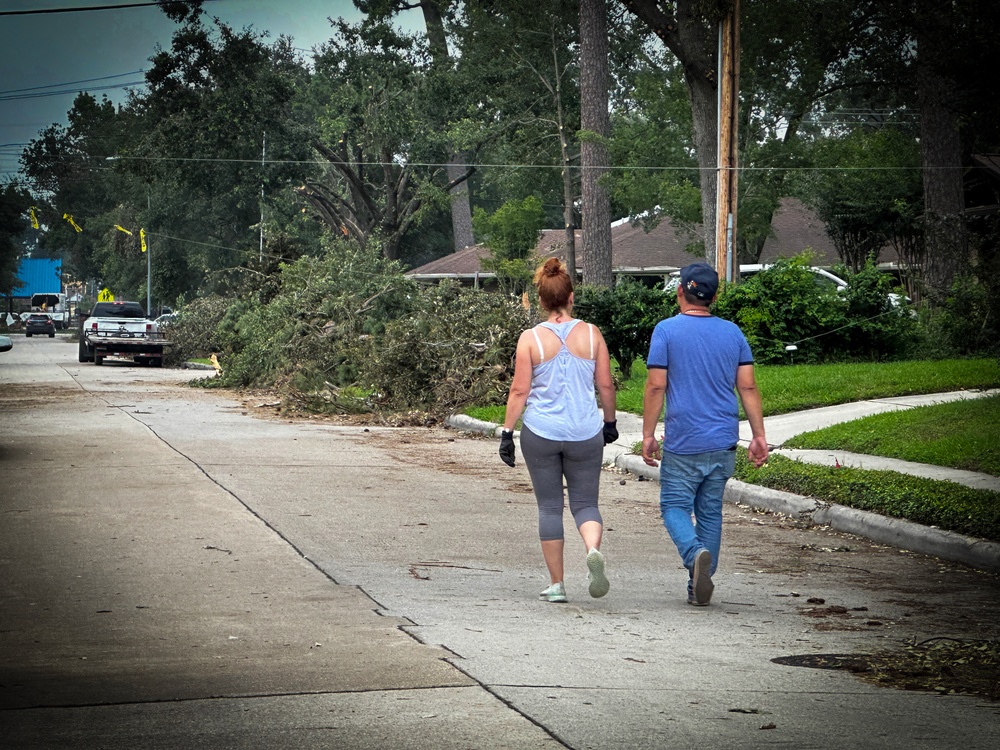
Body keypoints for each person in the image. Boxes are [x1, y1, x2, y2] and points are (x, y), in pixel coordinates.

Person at [641, 262, 769, 606]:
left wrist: (648, 433)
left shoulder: (666, 331)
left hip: (684, 441)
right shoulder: (733, 333)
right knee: (710, 511)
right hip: (723, 440)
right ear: (713, 296)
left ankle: (694, 553)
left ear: (681, 291)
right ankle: (699, 586)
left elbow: (656, 386)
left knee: (673, 506)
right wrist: (759, 436)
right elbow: (748, 385)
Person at [499, 258, 619, 603]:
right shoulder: (593, 335)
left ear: (541, 300)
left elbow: (520, 390)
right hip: (585, 431)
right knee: (585, 503)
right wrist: (609, 423)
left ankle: (557, 584)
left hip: (542, 432)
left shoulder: (530, 339)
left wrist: (508, 433)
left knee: (550, 507)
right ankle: (592, 549)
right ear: (571, 296)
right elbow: (606, 386)